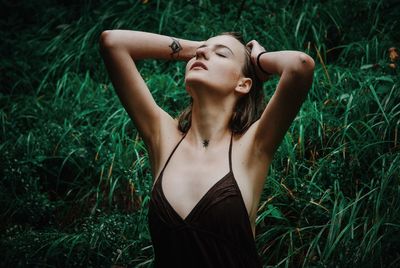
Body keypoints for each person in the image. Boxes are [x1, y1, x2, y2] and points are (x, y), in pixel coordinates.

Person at [99, 29, 314, 267]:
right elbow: (112, 42)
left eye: (222, 54)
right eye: (199, 52)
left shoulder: (253, 146)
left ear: (243, 84)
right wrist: (200, 48)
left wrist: (258, 61)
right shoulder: (163, 138)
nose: (202, 53)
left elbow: (300, 65)